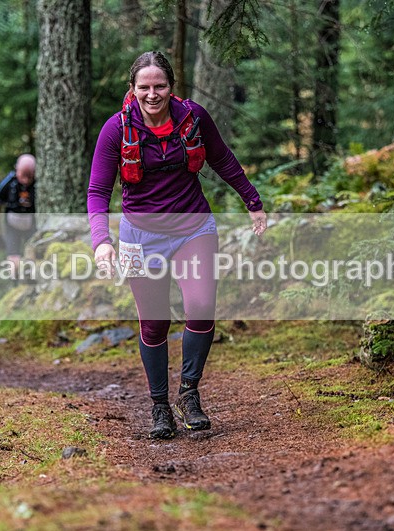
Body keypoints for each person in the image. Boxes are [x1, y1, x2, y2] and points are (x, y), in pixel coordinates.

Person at [87, 51, 267, 439]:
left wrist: (252, 201)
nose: (153, 95)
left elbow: (222, 159)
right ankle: (159, 406)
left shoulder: (194, 117)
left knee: (200, 307)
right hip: (138, 235)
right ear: (132, 89)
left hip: (193, 228)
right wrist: (101, 241)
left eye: (160, 86)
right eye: (144, 88)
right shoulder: (116, 129)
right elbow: (98, 190)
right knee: (154, 322)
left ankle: (189, 392)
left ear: (172, 86)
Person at [0, 154, 37, 266]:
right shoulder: (8, 183)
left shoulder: (39, 184)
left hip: (32, 225)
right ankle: (15, 281)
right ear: (17, 169)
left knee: (32, 257)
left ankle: (30, 280)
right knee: (13, 259)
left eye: (29, 176)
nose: (25, 180)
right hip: (12, 225)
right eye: (23, 175)